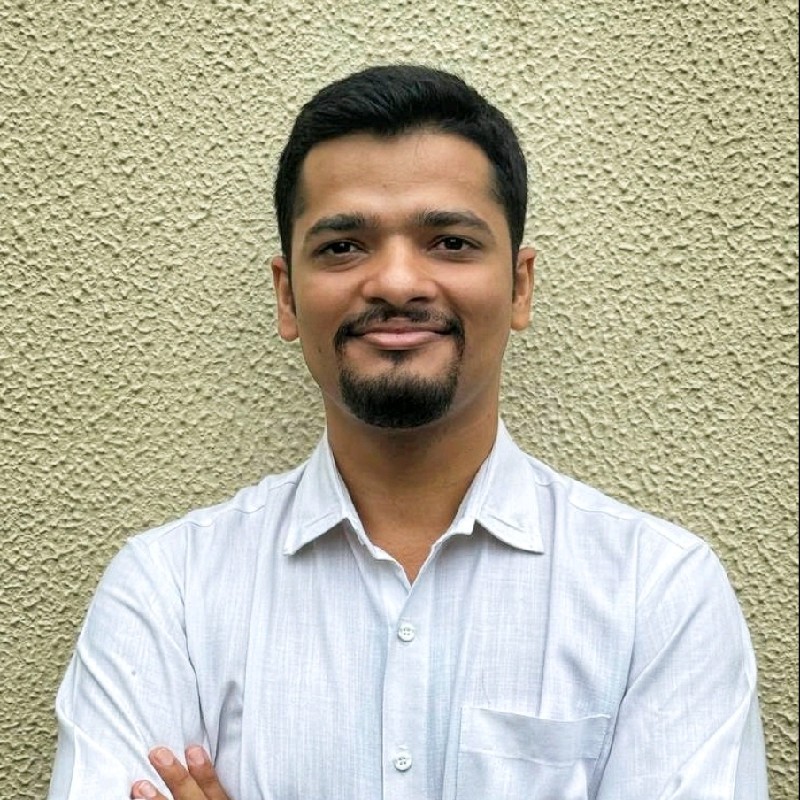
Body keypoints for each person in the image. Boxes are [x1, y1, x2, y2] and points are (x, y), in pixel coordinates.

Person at [48, 65, 769, 800]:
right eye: (343, 246)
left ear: (519, 287)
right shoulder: (168, 591)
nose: (396, 283)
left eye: (449, 242)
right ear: (287, 295)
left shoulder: (658, 593)